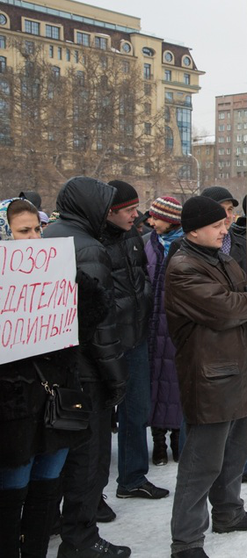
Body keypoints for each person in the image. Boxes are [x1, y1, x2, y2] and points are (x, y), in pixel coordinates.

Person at [166, 196, 247, 558]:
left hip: (239, 370)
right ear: (193, 230)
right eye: (217, 225)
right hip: (210, 377)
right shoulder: (183, 266)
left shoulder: (224, 259)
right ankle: (186, 540)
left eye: (225, 223)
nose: (224, 229)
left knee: (235, 452)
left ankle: (229, 512)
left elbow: (245, 308)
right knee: (202, 462)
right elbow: (226, 310)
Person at [0, 198, 100, 558]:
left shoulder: (58, 267)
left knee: (45, 493)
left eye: (37, 229)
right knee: (11, 496)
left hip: (55, 399)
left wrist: (69, 278)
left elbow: (93, 315)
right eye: (22, 231)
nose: (33, 237)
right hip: (13, 409)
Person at [44, 177, 130, 558]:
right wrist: (115, 378)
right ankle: (81, 539)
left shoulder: (51, 236)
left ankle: (56, 526)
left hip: (54, 366)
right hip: (85, 370)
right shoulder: (90, 248)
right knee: (88, 458)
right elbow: (99, 323)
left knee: (63, 455)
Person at [103, 181, 168, 503]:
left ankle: (132, 477)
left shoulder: (131, 236)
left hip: (137, 336)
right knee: (99, 418)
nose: (137, 215)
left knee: (137, 408)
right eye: (129, 210)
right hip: (104, 342)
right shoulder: (91, 239)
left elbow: (142, 279)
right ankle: (90, 493)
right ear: (109, 211)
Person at [143, 197, 185, 468]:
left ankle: (179, 441)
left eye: (156, 217)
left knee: (177, 385)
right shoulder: (147, 243)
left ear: (169, 219)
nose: (151, 222)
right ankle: (158, 442)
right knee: (155, 386)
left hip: (177, 327)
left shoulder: (185, 247)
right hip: (151, 327)